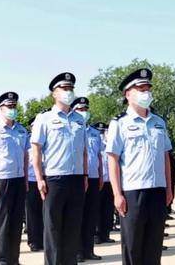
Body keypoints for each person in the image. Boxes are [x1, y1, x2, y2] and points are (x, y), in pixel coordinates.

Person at [106, 68, 174, 265]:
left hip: (157, 191)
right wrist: (117, 194)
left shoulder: (158, 122)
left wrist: (169, 188)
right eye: (140, 88)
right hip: (133, 192)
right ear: (128, 94)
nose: (146, 93)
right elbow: (113, 160)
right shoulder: (119, 123)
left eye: (147, 88)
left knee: (154, 246)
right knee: (134, 246)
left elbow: (165, 157)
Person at [31, 73, 87, 265]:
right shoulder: (44, 118)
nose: (68, 92)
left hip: (77, 178)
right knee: (53, 229)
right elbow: (36, 150)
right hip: (54, 179)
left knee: (72, 229)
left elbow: (84, 151)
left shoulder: (80, 119)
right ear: (54, 93)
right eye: (64, 88)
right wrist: (39, 178)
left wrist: (85, 175)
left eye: (70, 88)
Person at [0, 91, 30, 265]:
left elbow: (25, 155)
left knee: (16, 221)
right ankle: (1, 259)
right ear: (1, 108)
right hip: (1, 180)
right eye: (9, 106)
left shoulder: (22, 130)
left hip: (18, 179)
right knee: (3, 221)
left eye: (14, 106)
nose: (12, 109)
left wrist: (25, 178)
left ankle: (14, 258)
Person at [75, 97, 103, 261]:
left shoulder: (94, 132)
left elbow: (99, 156)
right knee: (78, 215)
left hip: (93, 177)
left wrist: (99, 175)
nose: (84, 112)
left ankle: (88, 249)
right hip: (79, 177)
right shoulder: (74, 129)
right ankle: (77, 251)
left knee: (91, 215)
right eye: (80, 109)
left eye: (86, 109)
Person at [25, 117, 44, 252]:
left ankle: (44, 238)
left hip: (45, 179)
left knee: (45, 212)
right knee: (32, 212)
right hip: (31, 180)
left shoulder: (45, 139)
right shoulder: (27, 141)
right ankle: (33, 240)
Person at [95, 122, 116, 244]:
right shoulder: (97, 145)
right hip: (98, 181)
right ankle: (97, 234)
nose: (103, 134)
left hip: (109, 181)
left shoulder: (110, 145)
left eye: (104, 132)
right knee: (97, 209)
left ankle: (106, 233)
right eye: (100, 132)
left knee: (108, 209)